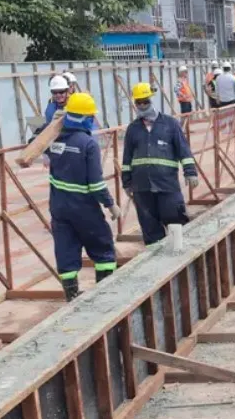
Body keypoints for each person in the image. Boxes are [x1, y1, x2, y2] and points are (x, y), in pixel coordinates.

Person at [45, 92, 119, 301]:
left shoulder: (53, 139)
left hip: (59, 207)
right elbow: (95, 183)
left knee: (65, 248)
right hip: (84, 207)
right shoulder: (88, 144)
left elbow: (35, 141)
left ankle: (72, 295)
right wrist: (110, 204)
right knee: (102, 245)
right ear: (87, 118)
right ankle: (104, 295)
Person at [120, 82, 198, 247]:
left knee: (175, 222)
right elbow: (127, 158)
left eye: (145, 101)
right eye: (138, 102)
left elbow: (183, 149)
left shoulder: (170, 124)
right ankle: (156, 265)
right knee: (150, 228)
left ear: (151, 100)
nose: (142, 105)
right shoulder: (133, 129)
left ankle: (179, 257)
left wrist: (190, 171)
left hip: (167, 185)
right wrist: (126, 182)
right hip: (142, 188)